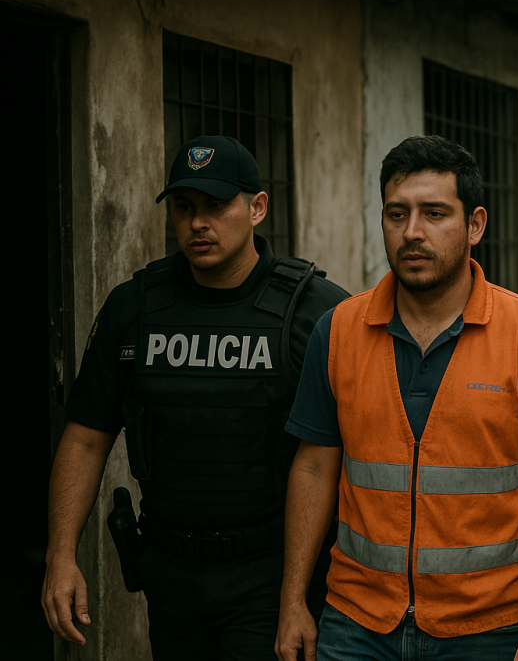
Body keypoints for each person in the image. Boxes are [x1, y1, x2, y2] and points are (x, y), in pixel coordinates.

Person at [274, 135, 518, 661]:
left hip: (491, 628)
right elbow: (313, 469)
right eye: (396, 214)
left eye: (434, 213)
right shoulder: (338, 332)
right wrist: (293, 601)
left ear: (475, 225)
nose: (412, 233)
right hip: (356, 625)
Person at [41, 135, 349, 660]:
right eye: (184, 208)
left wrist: (305, 592)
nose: (197, 223)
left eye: (215, 206)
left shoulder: (316, 310)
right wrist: (60, 554)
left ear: (257, 208)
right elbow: (87, 437)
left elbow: (351, 450)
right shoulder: (135, 307)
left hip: (270, 575)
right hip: (170, 573)